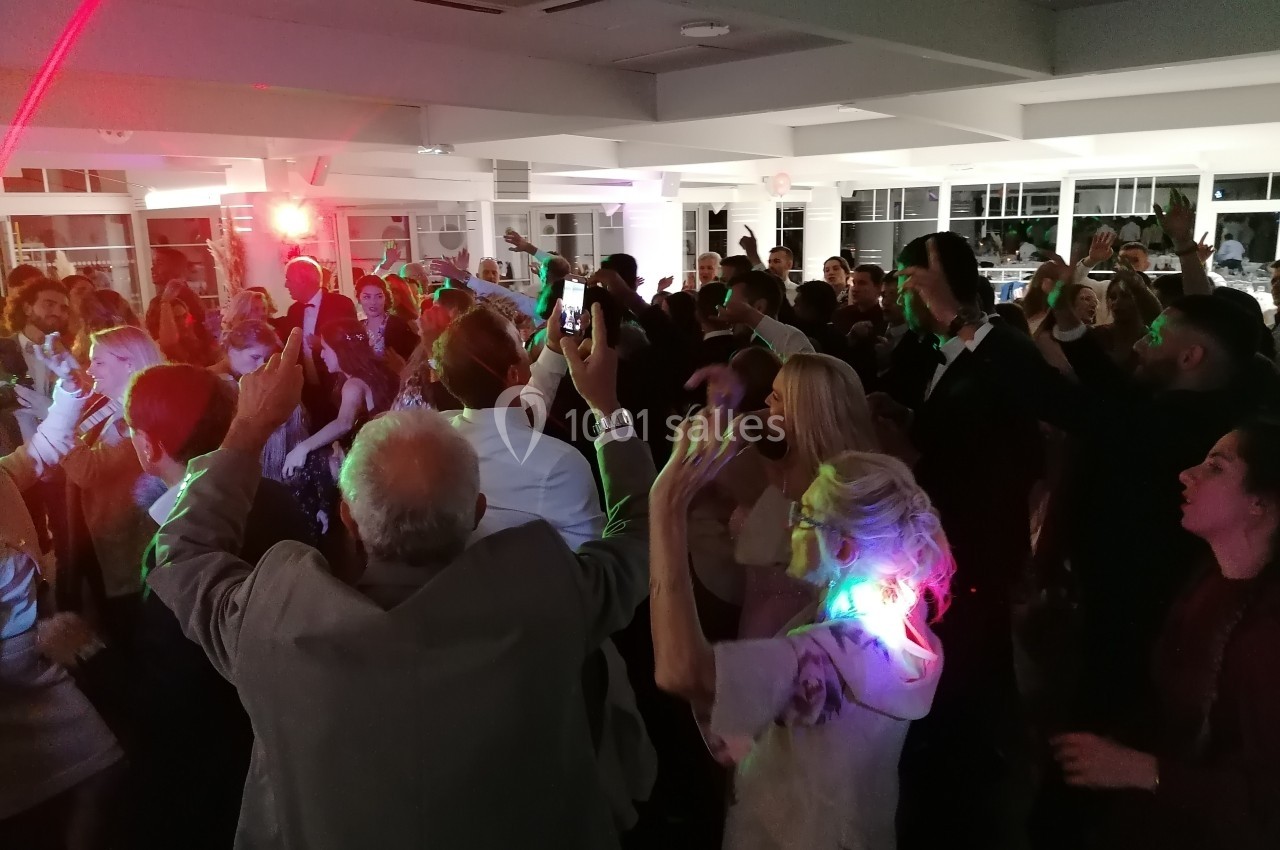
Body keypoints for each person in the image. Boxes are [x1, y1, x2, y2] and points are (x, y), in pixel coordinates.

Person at [147, 314, 655, 849]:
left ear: (347, 515)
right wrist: (607, 408)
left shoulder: (272, 621)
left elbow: (182, 552)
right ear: (477, 512)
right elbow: (639, 532)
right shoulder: (546, 595)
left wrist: (249, 426)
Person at [650, 422, 951, 850]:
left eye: (806, 516)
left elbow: (682, 671)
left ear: (845, 548)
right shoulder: (901, 617)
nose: (792, 525)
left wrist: (665, 510)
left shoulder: (824, 660)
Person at [1052, 420, 1280, 849]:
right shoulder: (1209, 581)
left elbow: (1267, 807)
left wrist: (1140, 769)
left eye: (1215, 467)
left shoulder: (1268, 635)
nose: (1186, 473)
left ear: (1259, 503)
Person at [124, 363, 313, 850]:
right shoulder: (276, 498)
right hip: (289, 749)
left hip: (217, 775)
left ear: (148, 446)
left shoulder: (167, 554)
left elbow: (175, 691)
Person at [0, 342, 121, 850]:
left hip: (27, 660)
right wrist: (38, 624)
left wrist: (71, 389)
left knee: (102, 770)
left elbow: (40, 451)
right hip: (12, 668)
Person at [434, 304, 603, 549]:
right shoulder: (558, 465)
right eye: (520, 344)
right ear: (514, 375)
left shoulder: (439, 434)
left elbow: (523, 412)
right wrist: (606, 405)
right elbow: (594, 563)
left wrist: (555, 346)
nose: (527, 351)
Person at [281, 319, 396, 476]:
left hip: (378, 459)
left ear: (339, 350)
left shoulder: (354, 384)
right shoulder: (378, 371)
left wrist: (303, 448)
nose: (321, 354)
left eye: (324, 349)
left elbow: (344, 423)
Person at [273, 256, 357, 423]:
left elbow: (354, 340)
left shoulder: (341, 304)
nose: (286, 285)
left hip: (338, 388)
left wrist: (327, 345)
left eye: (289, 280)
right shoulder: (294, 310)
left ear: (304, 281)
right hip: (307, 390)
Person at [145, 281, 217, 367]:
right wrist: (165, 302)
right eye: (176, 318)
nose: (183, 322)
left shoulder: (198, 343)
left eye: (184, 316)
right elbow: (169, 343)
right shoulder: (158, 349)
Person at [356, 275, 418, 360]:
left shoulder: (398, 326)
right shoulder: (358, 327)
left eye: (379, 296)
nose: (373, 302)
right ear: (359, 299)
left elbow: (412, 361)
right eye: (367, 297)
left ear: (386, 297)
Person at [832, 264, 887, 336]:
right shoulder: (840, 316)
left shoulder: (886, 320)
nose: (855, 289)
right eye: (854, 283)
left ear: (879, 287)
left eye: (862, 283)